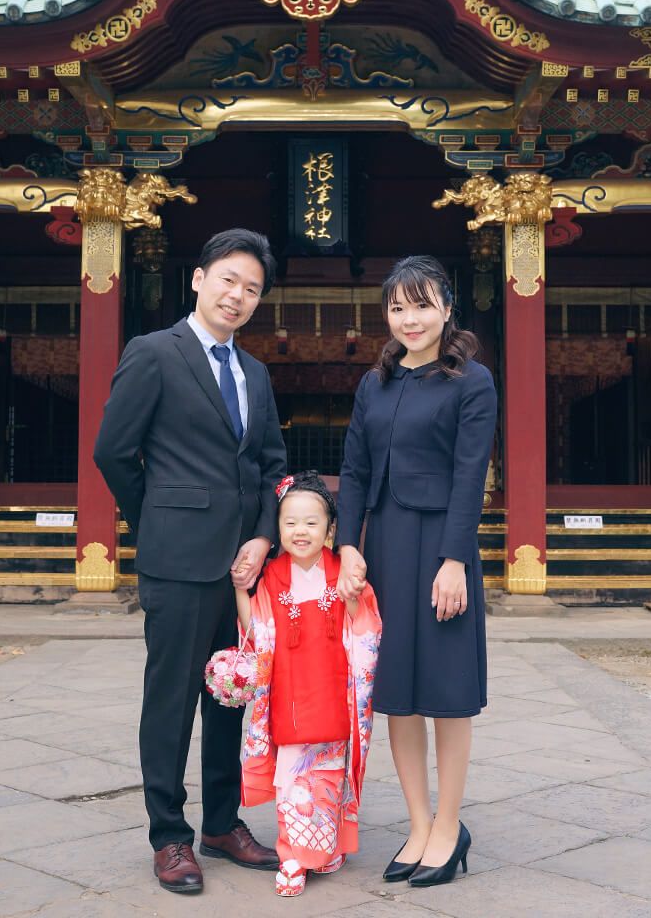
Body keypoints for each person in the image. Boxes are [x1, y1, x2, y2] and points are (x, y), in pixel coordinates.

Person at [94, 229, 287, 894]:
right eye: (229, 280)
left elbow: (269, 467)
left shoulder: (253, 373)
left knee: (231, 697)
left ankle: (223, 822)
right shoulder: (154, 353)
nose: (238, 296)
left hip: (242, 571)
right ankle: (169, 836)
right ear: (200, 279)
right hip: (177, 562)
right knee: (172, 701)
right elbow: (113, 451)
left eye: (252, 289)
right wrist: (156, 520)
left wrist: (263, 537)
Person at [335, 255, 497, 889]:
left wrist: (455, 558)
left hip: (441, 547)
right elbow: (352, 470)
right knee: (398, 694)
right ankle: (418, 823)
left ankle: (450, 827)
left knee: (447, 695)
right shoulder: (374, 383)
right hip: (385, 549)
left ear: (447, 308)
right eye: (398, 307)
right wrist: (349, 546)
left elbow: (470, 472)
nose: (410, 319)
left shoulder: (471, 380)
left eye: (422, 304)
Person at [234, 471, 381, 898]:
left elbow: (365, 630)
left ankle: (325, 848)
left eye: (312, 523)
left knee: (329, 776)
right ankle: (293, 857)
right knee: (293, 778)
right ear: (277, 528)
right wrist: (241, 591)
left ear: (331, 530)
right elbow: (257, 633)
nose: (300, 532)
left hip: (334, 692)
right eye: (290, 522)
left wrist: (352, 596)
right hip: (290, 695)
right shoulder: (273, 575)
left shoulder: (342, 570)